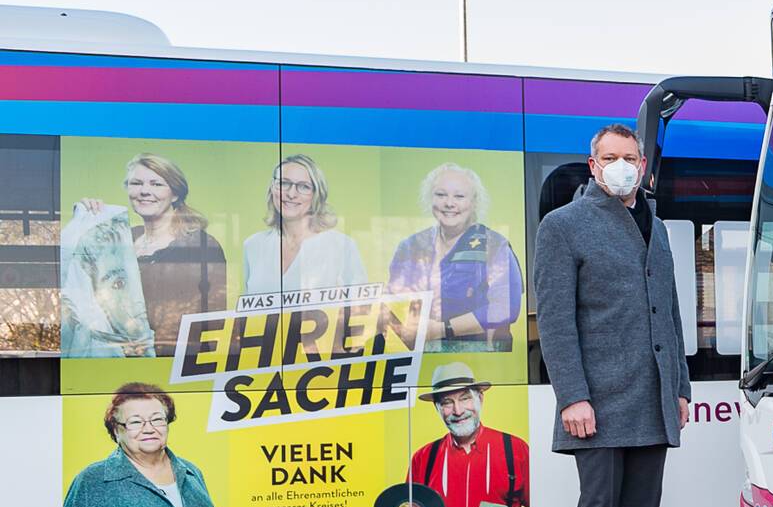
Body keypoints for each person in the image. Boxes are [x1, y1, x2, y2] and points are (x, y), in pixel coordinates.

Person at [535, 123, 696, 507]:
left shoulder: (655, 226)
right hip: (595, 407)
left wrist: (680, 388)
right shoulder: (563, 227)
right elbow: (555, 322)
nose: (622, 165)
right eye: (611, 157)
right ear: (593, 164)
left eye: (630, 157)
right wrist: (572, 396)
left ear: (644, 164)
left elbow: (669, 314)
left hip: (651, 403)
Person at [62, 382, 221, 507]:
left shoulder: (192, 473)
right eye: (135, 422)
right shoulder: (93, 480)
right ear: (116, 430)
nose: (149, 429)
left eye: (157, 419)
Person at [77, 154, 228, 356]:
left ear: (175, 194)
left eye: (156, 184)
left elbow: (214, 323)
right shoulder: (121, 240)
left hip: (174, 365)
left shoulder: (200, 246)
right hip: (119, 361)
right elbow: (88, 294)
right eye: (136, 183)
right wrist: (88, 217)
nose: (144, 191)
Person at [378, 363, 531, 507]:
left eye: (465, 398)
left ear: (480, 399)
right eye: (447, 402)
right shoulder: (423, 458)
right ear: (437, 408)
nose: (458, 411)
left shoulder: (515, 448)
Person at [387, 164, 524, 351]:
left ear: (474, 202)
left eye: (459, 196)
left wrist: (440, 330)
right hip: (419, 362)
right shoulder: (410, 246)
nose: (449, 203)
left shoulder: (494, 246)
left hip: (483, 362)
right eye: (441, 195)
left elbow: (505, 308)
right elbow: (394, 303)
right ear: (430, 199)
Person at [242, 153, 368, 295]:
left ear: (316, 194)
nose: (291, 194)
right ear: (272, 188)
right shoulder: (253, 245)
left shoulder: (342, 246)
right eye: (284, 183)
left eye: (304, 187)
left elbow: (360, 311)